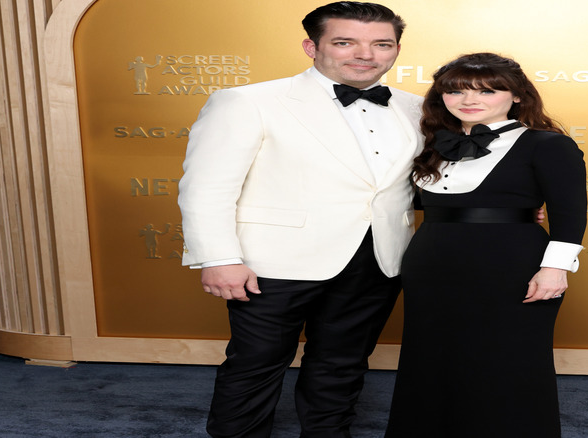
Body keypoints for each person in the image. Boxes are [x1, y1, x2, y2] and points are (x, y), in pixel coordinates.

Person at [177, 3, 423, 437]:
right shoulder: (248, 101)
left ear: (395, 49)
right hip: (270, 264)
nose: (365, 54)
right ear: (312, 46)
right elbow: (206, 187)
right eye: (345, 42)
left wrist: (514, 202)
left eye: (380, 44)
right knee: (255, 365)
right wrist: (217, 257)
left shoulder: (417, 108)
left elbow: (426, 180)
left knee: (343, 364)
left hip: (379, 259)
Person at [385, 53, 587, 438]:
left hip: (511, 267)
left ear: (517, 96)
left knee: (508, 361)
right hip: (431, 266)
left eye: (487, 90)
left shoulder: (546, 145)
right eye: (455, 90)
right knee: (431, 359)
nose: (468, 100)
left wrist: (555, 269)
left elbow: (571, 214)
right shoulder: (432, 144)